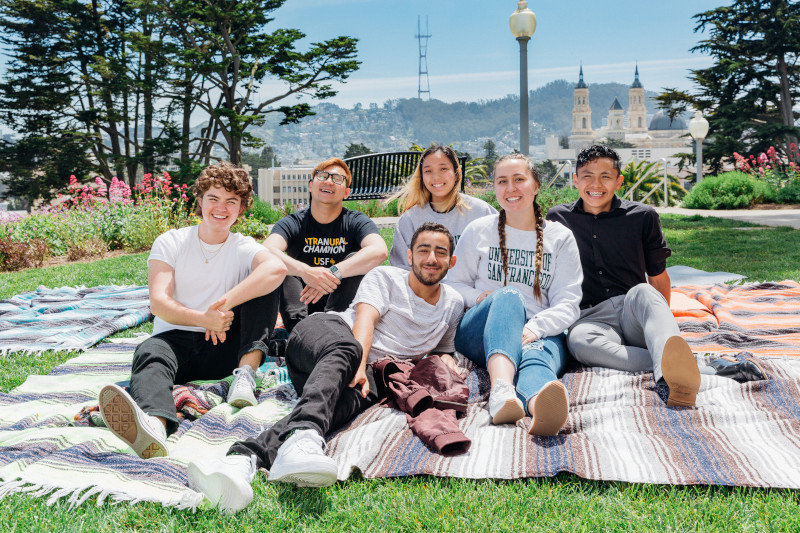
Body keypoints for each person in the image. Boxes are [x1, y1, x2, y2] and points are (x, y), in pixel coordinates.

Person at [187, 222, 465, 512]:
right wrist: (357, 364)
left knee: (339, 405)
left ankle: (241, 460)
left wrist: (446, 358)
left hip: (364, 373)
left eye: (440, 252)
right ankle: (306, 434)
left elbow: (443, 347)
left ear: (451, 261)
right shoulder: (386, 276)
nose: (431, 258)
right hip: (326, 336)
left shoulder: (453, 304)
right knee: (347, 350)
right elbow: (364, 322)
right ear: (409, 256)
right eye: (423, 250)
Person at [98, 162, 288, 459]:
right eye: (213, 198)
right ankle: (154, 427)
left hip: (226, 347)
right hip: (176, 341)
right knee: (149, 353)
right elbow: (159, 302)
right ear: (200, 201)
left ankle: (246, 375)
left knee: (265, 282)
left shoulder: (243, 246)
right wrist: (202, 318)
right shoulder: (172, 241)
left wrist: (222, 306)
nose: (221, 208)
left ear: (241, 209)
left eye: (231, 201)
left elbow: (277, 268)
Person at [546, 144, 701, 407]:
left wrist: (659, 321)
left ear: (619, 181)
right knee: (578, 342)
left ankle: (671, 379)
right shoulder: (557, 218)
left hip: (633, 309)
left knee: (644, 291)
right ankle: (693, 365)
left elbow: (658, 277)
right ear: (575, 180)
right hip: (591, 317)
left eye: (605, 176)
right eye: (587, 176)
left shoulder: (643, 216)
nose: (596, 184)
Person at [447, 153, 583, 437]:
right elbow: (452, 285)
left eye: (519, 180)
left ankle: (539, 405)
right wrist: (479, 297)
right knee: (508, 296)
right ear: (495, 188)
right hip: (480, 330)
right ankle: (500, 391)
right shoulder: (478, 231)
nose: (510, 189)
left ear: (535, 185)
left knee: (534, 358)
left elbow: (568, 303)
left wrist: (535, 329)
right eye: (502, 181)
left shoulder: (559, 238)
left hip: (538, 332)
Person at [264, 157, 388, 337]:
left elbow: (379, 251)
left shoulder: (355, 221)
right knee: (281, 265)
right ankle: (299, 333)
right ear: (310, 185)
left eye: (337, 179)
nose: (328, 181)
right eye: (322, 176)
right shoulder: (293, 222)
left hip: (340, 309)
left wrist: (331, 274)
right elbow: (267, 249)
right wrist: (306, 271)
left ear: (346, 193)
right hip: (301, 306)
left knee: (358, 258)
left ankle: (331, 326)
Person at [388, 145, 495, 269]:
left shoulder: (481, 211)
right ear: (422, 177)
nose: (436, 177)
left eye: (443, 169)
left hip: (473, 287)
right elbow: (401, 270)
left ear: (457, 173)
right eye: (428, 171)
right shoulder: (409, 220)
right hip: (426, 287)